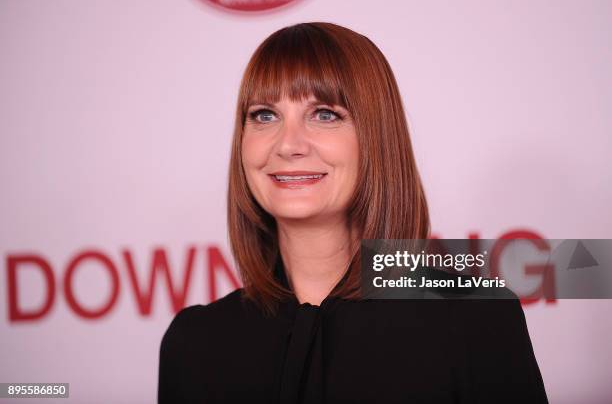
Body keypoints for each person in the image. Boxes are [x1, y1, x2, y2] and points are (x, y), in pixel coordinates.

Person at [157, 22, 548, 403]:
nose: (288, 145)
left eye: (325, 114)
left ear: (377, 138)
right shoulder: (194, 343)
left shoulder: (475, 319)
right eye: (264, 115)